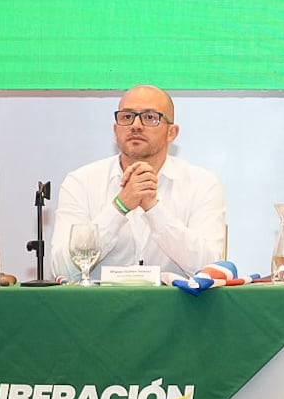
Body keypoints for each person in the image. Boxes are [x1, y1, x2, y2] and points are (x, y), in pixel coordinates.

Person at [49, 85, 226, 279]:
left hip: (175, 307)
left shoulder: (202, 184)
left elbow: (210, 269)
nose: (136, 125)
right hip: (100, 307)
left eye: (150, 117)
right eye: (127, 116)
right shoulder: (81, 182)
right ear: (116, 130)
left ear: (172, 133)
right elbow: (62, 270)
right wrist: (119, 206)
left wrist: (153, 209)